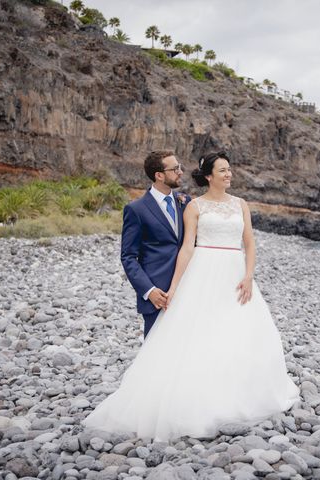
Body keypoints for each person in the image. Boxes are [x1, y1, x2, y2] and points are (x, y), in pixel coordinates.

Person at [83, 151, 300, 441]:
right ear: (208, 176)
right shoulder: (188, 205)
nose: (228, 174)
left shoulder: (230, 204)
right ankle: (169, 399)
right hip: (201, 272)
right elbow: (184, 248)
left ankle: (235, 392)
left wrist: (248, 276)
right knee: (186, 338)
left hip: (234, 274)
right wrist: (171, 288)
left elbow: (249, 241)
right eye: (222, 170)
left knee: (238, 332)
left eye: (230, 169)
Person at [120, 150, 190, 338]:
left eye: (180, 167)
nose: (181, 172)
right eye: (175, 169)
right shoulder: (136, 210)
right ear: (159, 175)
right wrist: (149, 291)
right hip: (158, 295)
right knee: (155, 353)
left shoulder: (185, 202)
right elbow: (128, 257)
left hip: (187, 287)